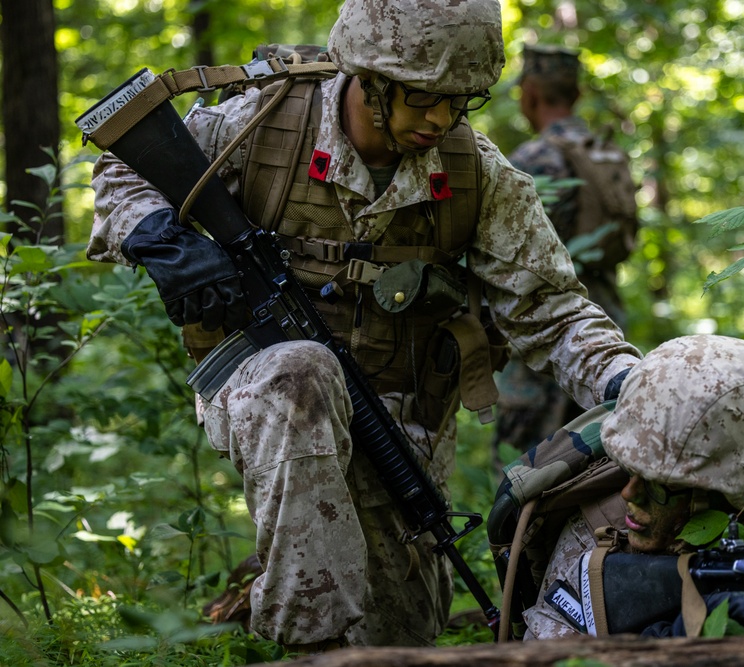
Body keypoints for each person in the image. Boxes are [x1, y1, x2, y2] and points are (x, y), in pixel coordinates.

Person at [85, 0, 641, 652]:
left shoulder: (473, 171)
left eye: (460, 101)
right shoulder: (267, 122)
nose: (440, 119)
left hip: (396, 414)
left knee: (397, 633)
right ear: (370, 77)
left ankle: (287, 605)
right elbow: (124, 166)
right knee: (302, 376)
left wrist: (628, 379)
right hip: (259, 376)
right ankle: (310, 647)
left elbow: (549, 309)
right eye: (422, 98)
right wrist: (160, 240)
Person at [520, 335, 744, 640]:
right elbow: (543, 649)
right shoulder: (593, 539)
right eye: (629, 471)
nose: (628, 494)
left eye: (659, 486)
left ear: (731, 494)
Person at [493, 45, 638, 462]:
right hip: (606, 326)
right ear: (576, 95)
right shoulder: (606, 153)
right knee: (599, 465)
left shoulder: (534, 159)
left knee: (529, 470)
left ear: (531, 93)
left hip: (547, 340)